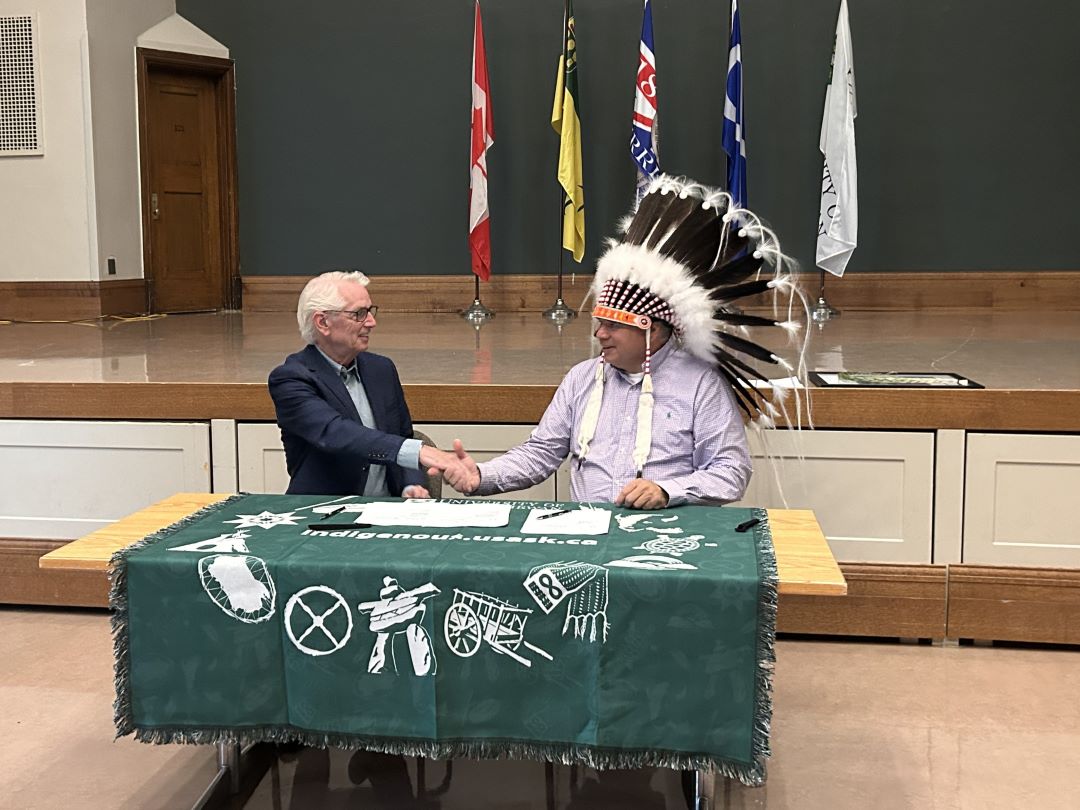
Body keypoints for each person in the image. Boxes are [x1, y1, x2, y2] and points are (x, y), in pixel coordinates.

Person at [442, 174, 809, 509]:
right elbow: (542, 452)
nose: (599, 334)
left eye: (613, 326)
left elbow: (731, 472)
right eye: (599, 323)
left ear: (652, 328)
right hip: (589, 535)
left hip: (668, 540)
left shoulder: (700, 384)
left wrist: (667, 491)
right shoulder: (582, 378)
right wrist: (482, 476)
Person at [269, 269, 466, 497]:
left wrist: (411, 486)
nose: (372, 322)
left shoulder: (381, 369)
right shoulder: (291, 378)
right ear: (323, 322)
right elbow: (335, 433)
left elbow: (402, 436)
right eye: (359, 313)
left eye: (370, 311)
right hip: (322, 516)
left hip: (388, 515)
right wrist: (417, 452)